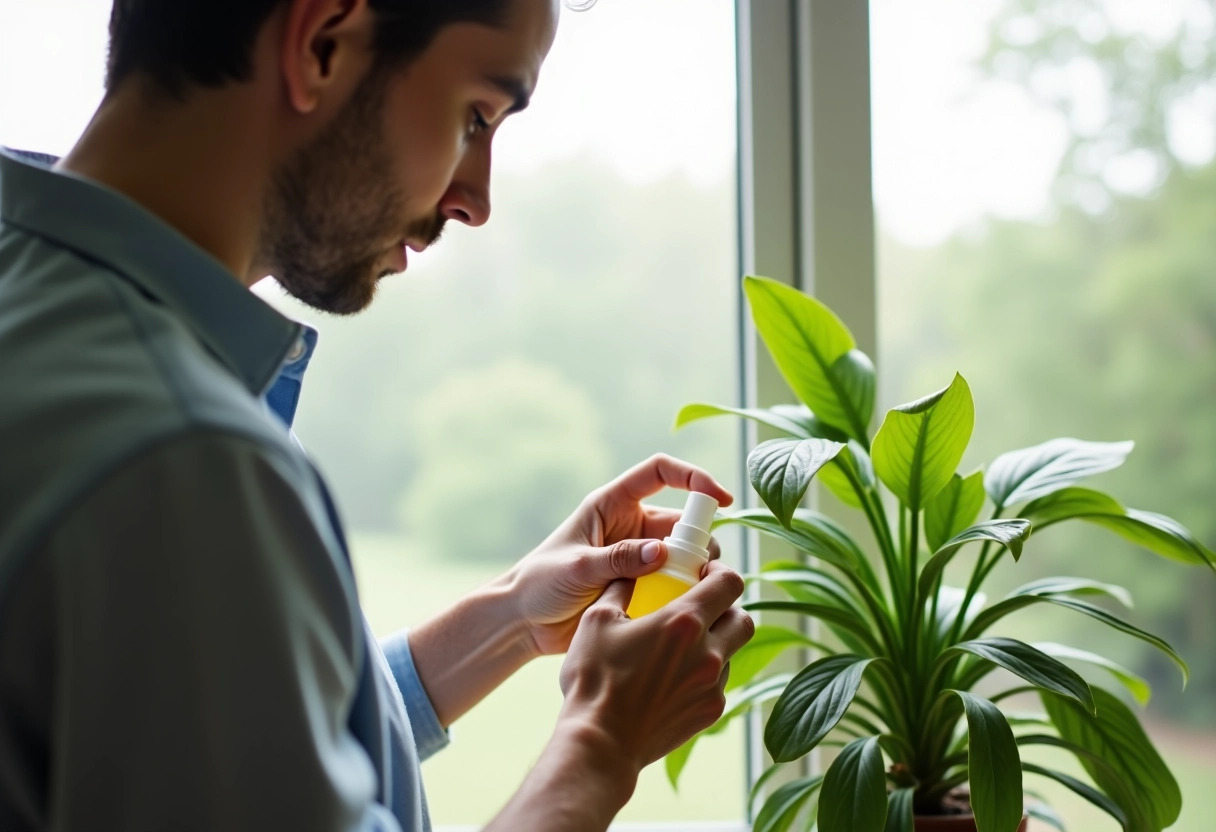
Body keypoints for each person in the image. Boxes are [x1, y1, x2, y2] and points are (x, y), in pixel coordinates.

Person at [0, 0, 756, 830]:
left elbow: (217, 757)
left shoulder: (44, 318)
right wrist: (602, 744)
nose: (476, 199)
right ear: (322, 41)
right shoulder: (179, 463)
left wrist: (507, 619)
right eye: (475, 116)